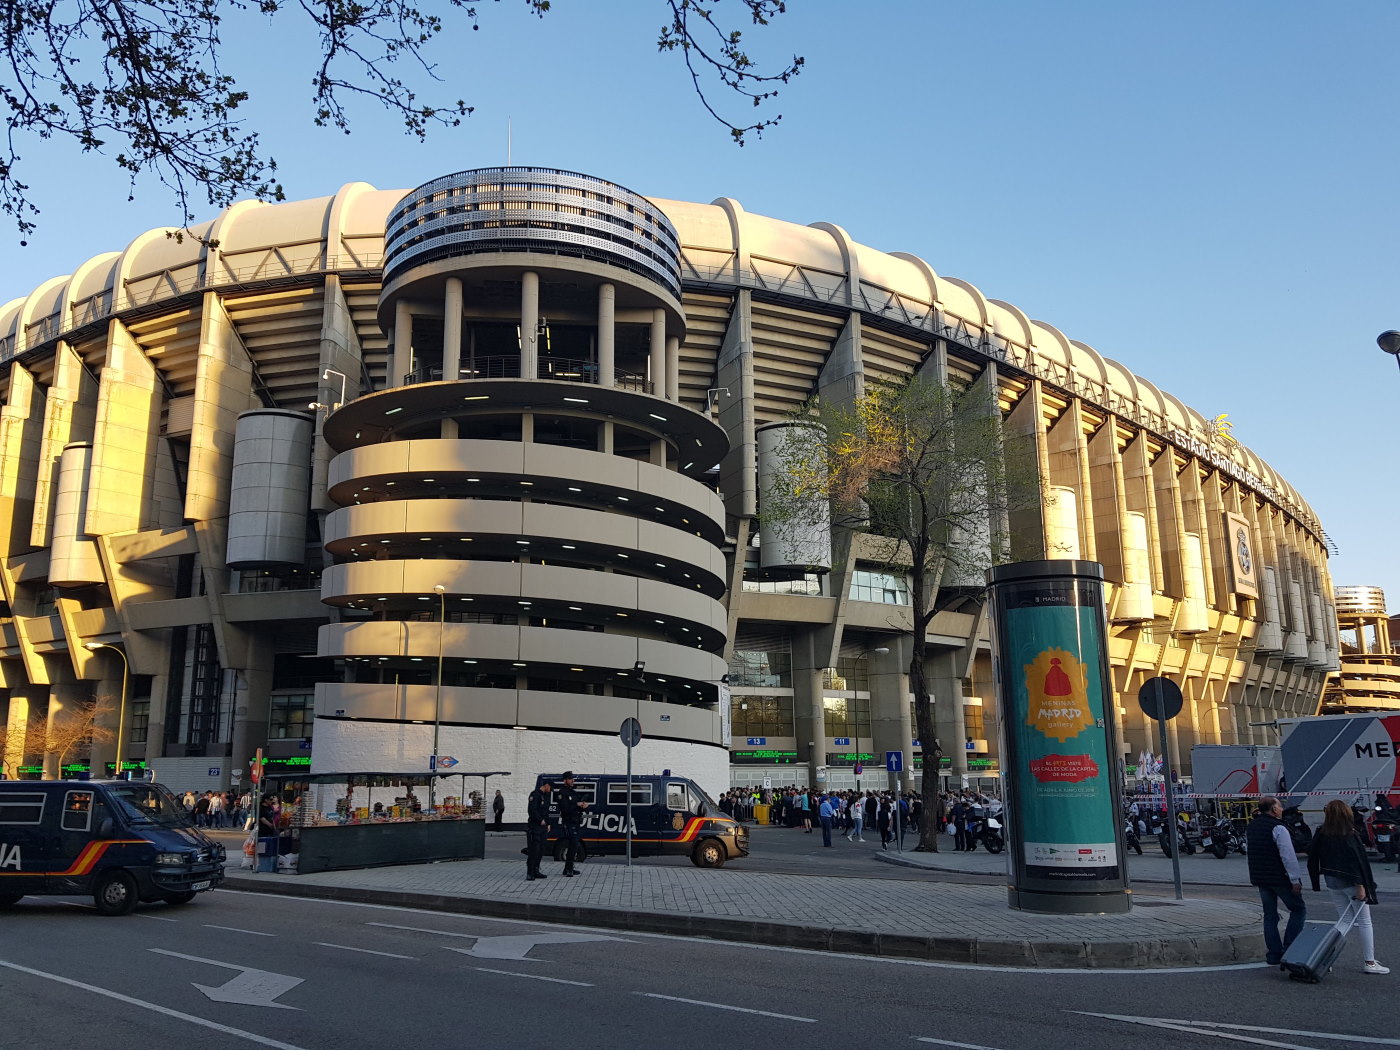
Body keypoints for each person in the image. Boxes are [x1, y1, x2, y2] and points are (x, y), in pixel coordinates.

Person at [1307, 798, 1387, 974]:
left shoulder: (1322, 832)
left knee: (1344, 919)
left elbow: (1313, 857)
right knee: (1365, 921)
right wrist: (1361, 885)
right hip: (1352, 882)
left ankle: (1322, 956)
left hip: (1332, 881)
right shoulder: (1350, 834)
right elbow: (1357, 862)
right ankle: (1370, 962)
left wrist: (1315, 881)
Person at [1246, 796, 1307, 967]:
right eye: (1279, 806)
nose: (1281, 810)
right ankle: (1290, 948)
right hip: (1279, 877)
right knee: (1298, 909)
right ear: (1273, 809)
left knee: (1270, 915)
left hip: (1261, 878)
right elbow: (1288, 855)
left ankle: (1273, 953)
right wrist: (1295, 879)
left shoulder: (1252, 826)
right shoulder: (1278, 828)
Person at [556, 771, 589, 876]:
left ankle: (568, 868)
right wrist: (576, 804)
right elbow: (565, 808)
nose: (572, 781)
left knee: (574, 845)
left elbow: (578, 804)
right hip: (569, 822)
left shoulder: (573, 793)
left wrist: (583, 806)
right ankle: (569, 869)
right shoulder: (562, 793)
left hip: (575, 821)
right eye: (570, 779)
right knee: (573, 844)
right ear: (565, 780)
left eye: (572, 779)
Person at [524, 779, 553, 881]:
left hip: (543, 828)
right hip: (535, 827)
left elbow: (546, 811)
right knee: (534, 850)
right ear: (546, 785)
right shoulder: (535, 795)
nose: (550, 790)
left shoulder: (545, 796)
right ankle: (530, 872)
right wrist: (540, 820)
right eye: (550, 788)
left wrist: (548, 823)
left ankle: (536, 870)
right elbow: (532, 810)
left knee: (541, 850)